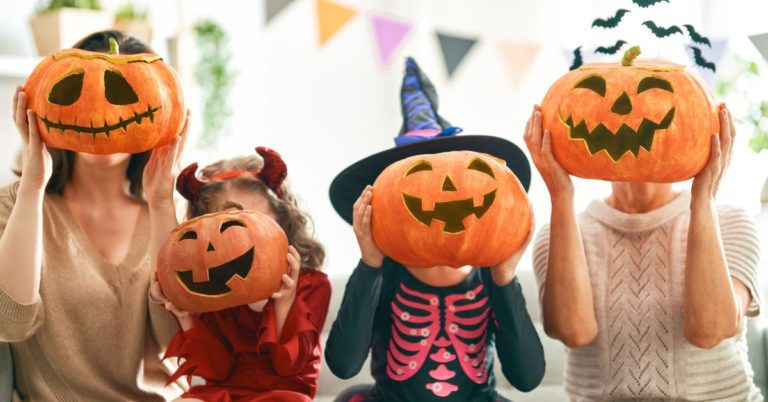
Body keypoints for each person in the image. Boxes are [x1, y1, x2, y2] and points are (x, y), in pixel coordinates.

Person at [325, 57, 545, 401]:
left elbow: (527, 377)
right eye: (420, 175)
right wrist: (370, 264)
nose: (444, 190)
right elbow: (344, 363)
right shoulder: (386, 274)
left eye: (466, 174)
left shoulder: (490, 276)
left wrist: (504, 277)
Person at [525, 104, 763, 401]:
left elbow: (709, 330)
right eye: (611, 112)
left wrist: (703, 198)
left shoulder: (730, 222)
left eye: (644, 112)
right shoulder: (558, 232)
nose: (625, 116)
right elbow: (574, 332)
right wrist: (560, 197)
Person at [0, 30, 188, 401]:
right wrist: (34, 185)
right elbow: (9, 323)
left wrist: (164, 206)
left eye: (120, 94)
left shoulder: (174, 211)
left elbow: (179, 343)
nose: (102, 113)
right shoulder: (13, 204)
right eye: (78, 93)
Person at [153, 147, 331, 402]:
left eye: (252, 220)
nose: (244, 238)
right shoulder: (215, 292)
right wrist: (186, 317)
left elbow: (290, 367)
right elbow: (217, 369)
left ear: (281, 219)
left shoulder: (312, 284)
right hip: (225, 392)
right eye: (227, 228)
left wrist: (284, 301)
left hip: (282, 393)